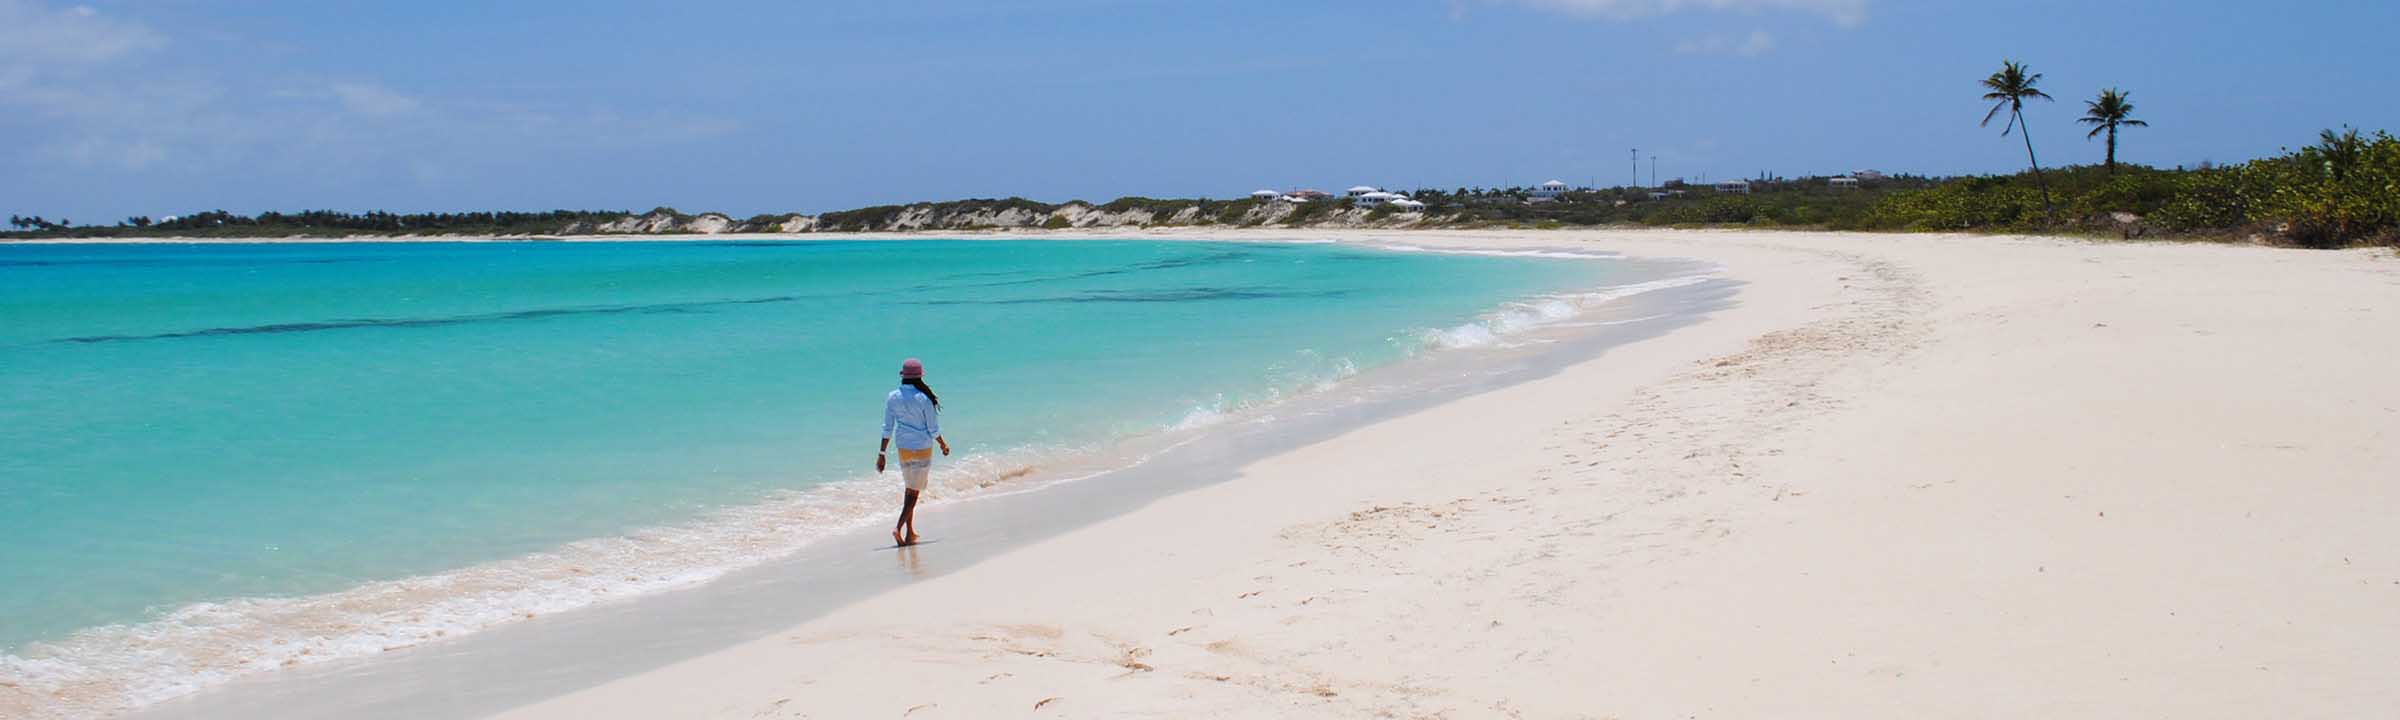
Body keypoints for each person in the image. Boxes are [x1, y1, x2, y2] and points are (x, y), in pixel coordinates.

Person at [877, 357, 948, 546]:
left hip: (903, 448)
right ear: (920, 377)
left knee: (910, 489)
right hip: (922, 447)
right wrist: (943, 444)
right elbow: (933, 428)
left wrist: (882, 454)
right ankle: (898, 528)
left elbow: (887, 427)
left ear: (903, 376)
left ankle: (910, 533)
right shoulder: (923, 398)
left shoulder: (893, 397)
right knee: (914, 492)